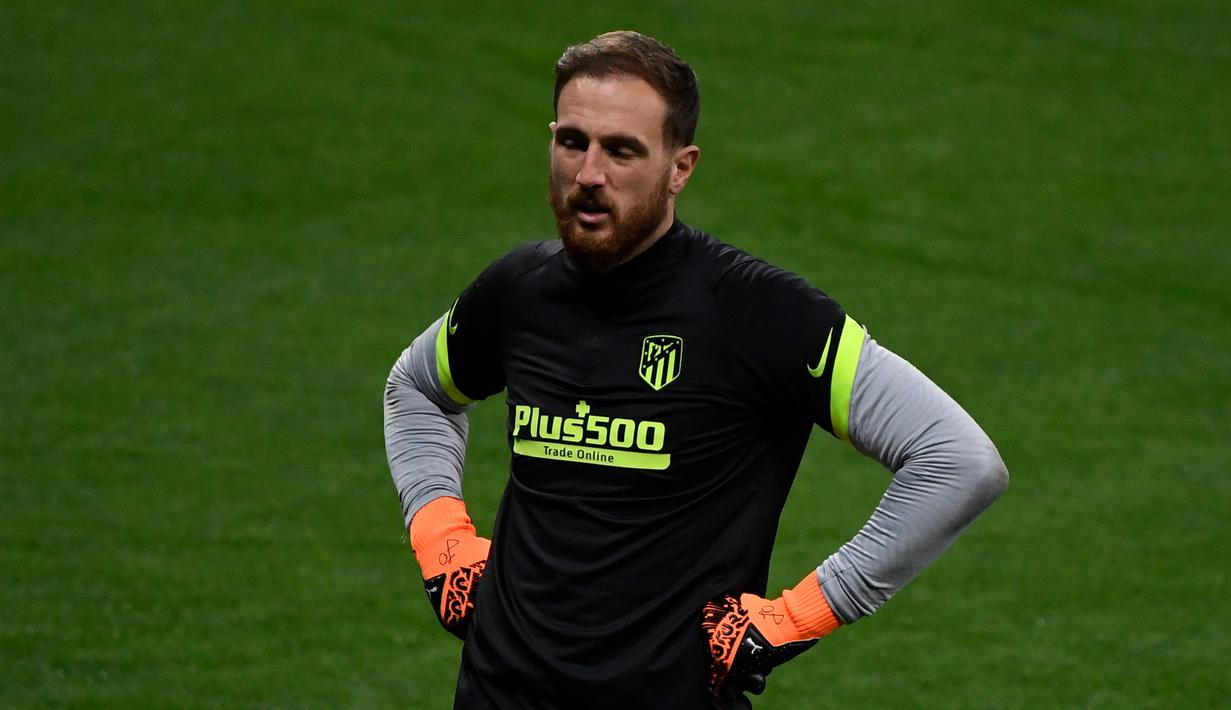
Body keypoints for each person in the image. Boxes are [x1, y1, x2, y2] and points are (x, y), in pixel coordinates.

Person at [384, 30, 1008, 710]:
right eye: (572, 142)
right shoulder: (518, 291)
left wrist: (793, 618)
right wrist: (440, 537)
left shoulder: (756, 313)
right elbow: (415, 389)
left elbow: (955, 460)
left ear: (680, 167)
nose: (588, 174)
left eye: (622, 150)